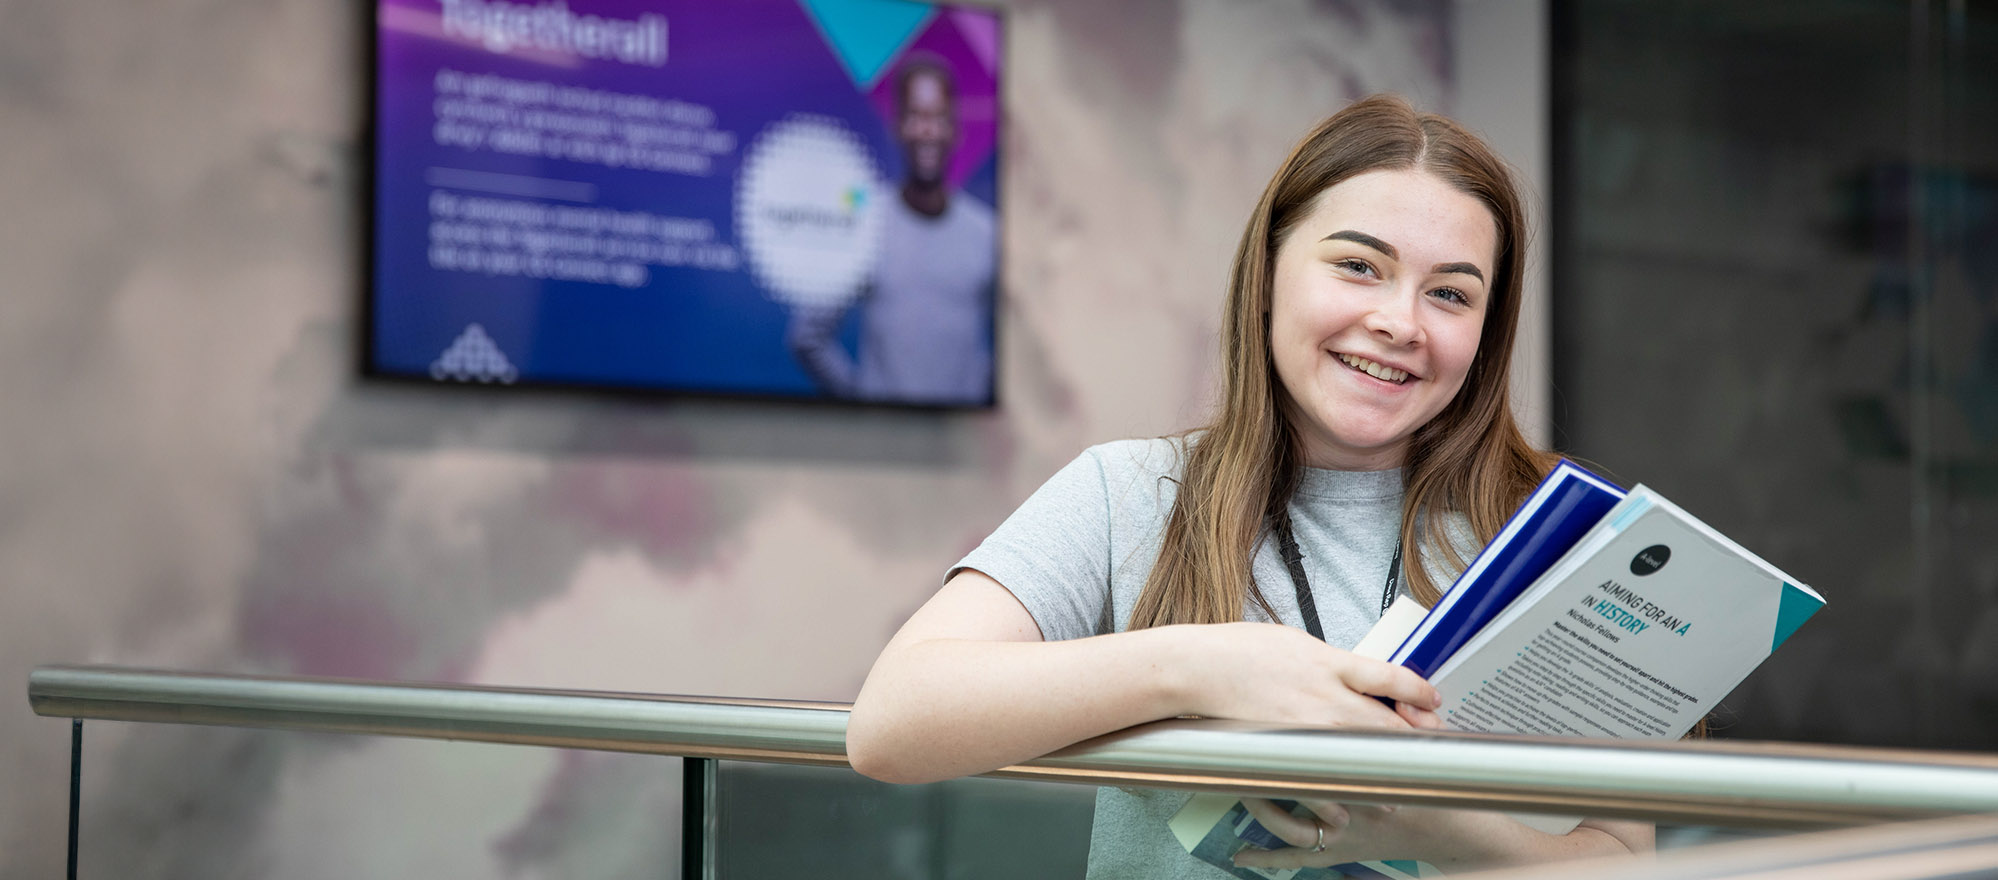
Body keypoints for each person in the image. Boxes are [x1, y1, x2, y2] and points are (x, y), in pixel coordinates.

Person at [845, 94, 1654, 876]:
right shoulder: (1131, 493)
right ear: (1268, 273)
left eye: (1449, 293)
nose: (1401, 323)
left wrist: (1444, 833)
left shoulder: (1559, 537)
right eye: (1357, 266)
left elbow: (1624, 861)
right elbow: (892, 722)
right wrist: (1203, 667)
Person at [787, 54, 997, 406]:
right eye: (916, 116)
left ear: (955, 131)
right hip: (878, 448)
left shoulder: (989, 233)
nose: (927, 130)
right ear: (898, 126)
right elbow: (807, 337)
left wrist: (979, 392)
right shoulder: (865, 225)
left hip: (964, 447)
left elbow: (1016, 351)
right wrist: (864, 401)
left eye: (938, 117)